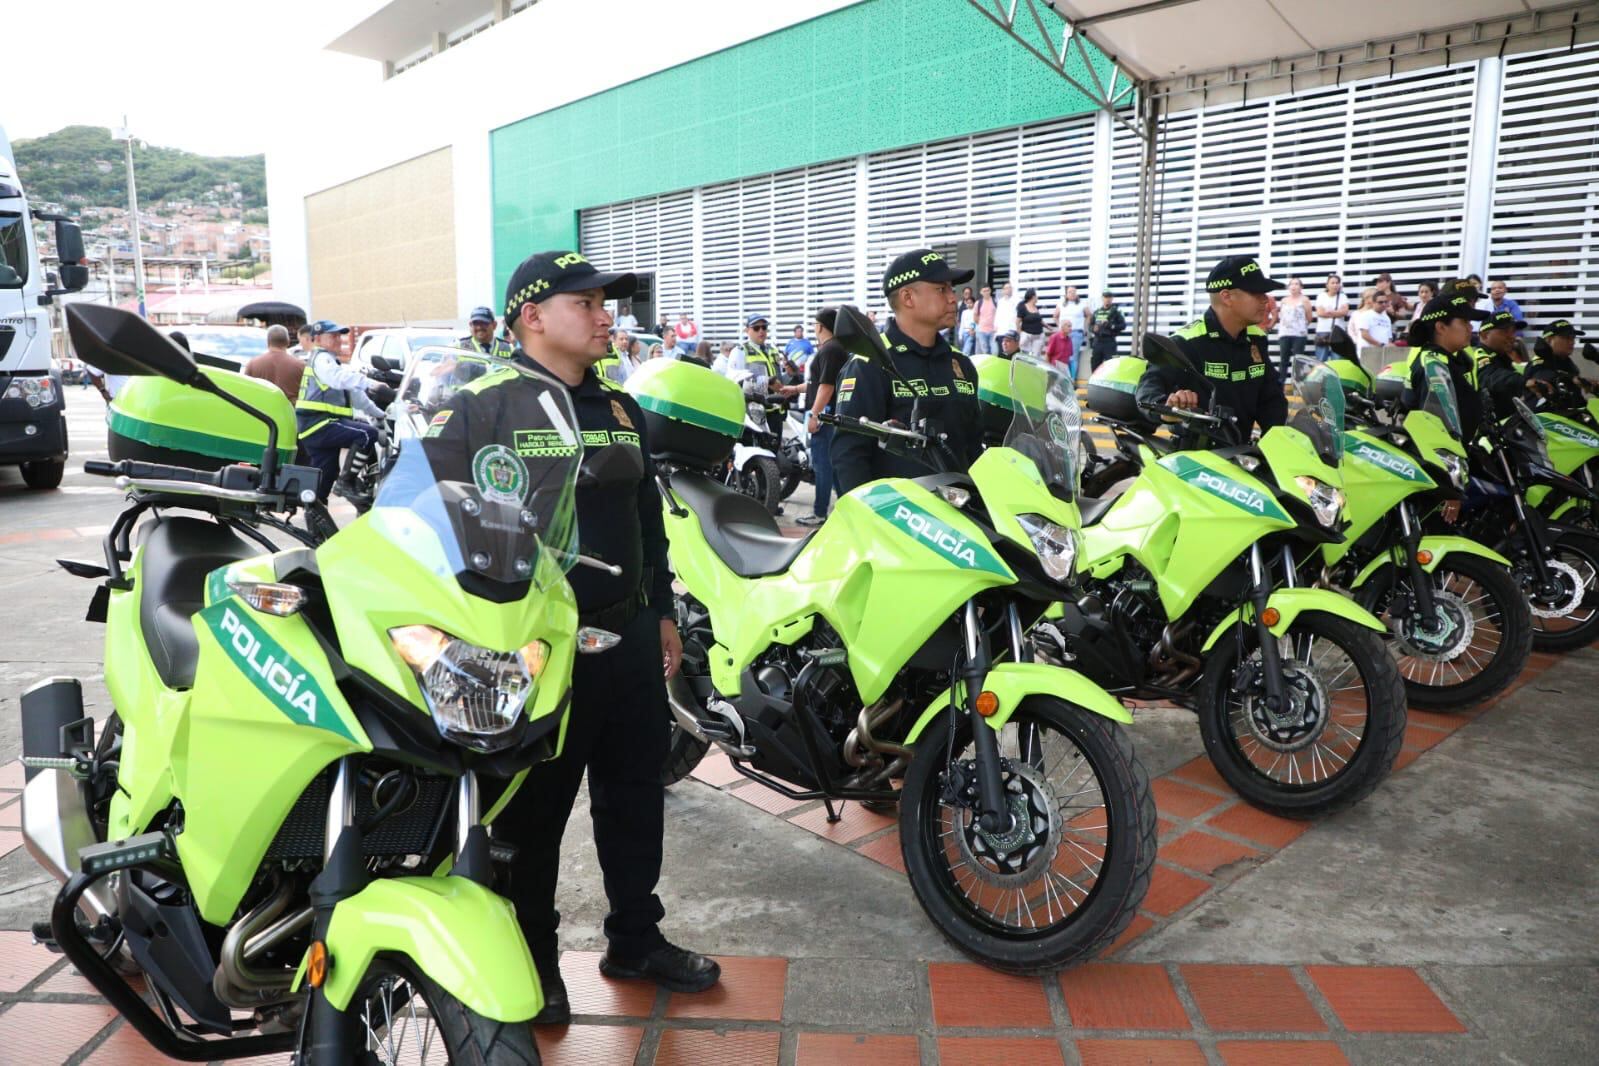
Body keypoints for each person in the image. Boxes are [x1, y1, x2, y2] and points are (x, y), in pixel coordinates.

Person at [421, 249, 718, 1025]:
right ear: (532, 315)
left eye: (605, 302)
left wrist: (659, 609)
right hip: (534, 653)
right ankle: (533, 958)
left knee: (633, 797)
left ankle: (635, 939)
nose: (603, 315)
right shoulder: (481, 404)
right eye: (585, 303)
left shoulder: (619, 408)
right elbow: (430, 526)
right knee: (532, 813)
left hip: (622, 641)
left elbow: (645, 520)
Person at [832, 249, 982, 493]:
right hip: (897, 522)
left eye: (950, 289)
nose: (953, 298)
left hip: (961, 521)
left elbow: (974, 449)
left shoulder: (961, 365)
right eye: (941, 289)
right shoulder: (870, 363)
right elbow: (849, 456)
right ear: (908, 297)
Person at [1137, 255, 1287, 443]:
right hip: (1195, 459)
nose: (1266, 300)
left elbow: (1271, 399)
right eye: (1257, 293)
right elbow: (1148, 388)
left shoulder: (1256, 338)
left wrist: (1274, 443)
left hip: (1241, 456)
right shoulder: (1187, 341)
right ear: (1227, 296)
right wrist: (1167, 410)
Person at [295, 319, 383, 502]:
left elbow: (357, 397)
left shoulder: (332, 363)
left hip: (317, 427)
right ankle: (346, 482)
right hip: (319, 424)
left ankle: (318, 526)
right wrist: (371, 384)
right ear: (317, 339)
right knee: (366, 434)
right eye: (333, 336)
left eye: (340, 336)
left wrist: (381, 414)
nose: (339, 340)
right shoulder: (321, 358)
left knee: (323, 483)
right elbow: (337, 379)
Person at [1401, 291, 1492, 442]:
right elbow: (1441, 428)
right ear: (1441, 327)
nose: (1470, 328)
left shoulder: (1451, 359)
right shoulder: (1433, 364)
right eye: (1464, 322)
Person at [799, 307, 847, 526]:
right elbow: (816, 384)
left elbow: (826, 387)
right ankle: (846, 508)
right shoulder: (837, 348)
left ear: (819, 326)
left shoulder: (829, 350)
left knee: (822, 467)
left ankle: (819, 514)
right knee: (833, 467)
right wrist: (794, 390)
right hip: (832, 416)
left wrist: (815, 415)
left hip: (825, 417)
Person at [1474, 310, 1536, 408]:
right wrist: (1524, 382)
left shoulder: (1502, 356)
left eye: (1513, 332)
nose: (1512, 337)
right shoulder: (1479, 354)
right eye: (1505, 332)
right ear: (1484, 335)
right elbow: (1488, 376)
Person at [729, 315, 800, 398]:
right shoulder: (740, 351)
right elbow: (734, 379)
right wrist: (766, 382)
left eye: (764, 327)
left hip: (778, 406)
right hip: (755, 407)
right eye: (756, 328)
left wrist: (789, 375)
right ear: (747, 330)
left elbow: (778, 383)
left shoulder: (773, 350)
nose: (761, 331)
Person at [244, 324, 308, 402]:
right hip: (290, 412)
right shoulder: (301, 366)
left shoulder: (252, 364)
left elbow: (246, 392)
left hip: (261, 411)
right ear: (288, 341)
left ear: (268, 342)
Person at [1525, 319, 1591, 392]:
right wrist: (1571, 378)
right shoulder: (1538, 361)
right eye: (1566, 337)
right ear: (1549, 340)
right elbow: (1543, 377)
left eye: (1573, 338)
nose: (1572, 342)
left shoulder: (1567, 363)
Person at [1275, 277, 1312, 376]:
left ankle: (1297, 385)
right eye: (1291, 284)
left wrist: (1300, 327)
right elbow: (1281, 316)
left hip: (1299, 334)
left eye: (1296, 284)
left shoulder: (1305, 300)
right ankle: (1280, 386)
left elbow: (1309, 317)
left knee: (1298, 361)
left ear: (1301, 287)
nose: (1293, 286)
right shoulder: (1284, 300)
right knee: (1283, 360)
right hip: (1285, 333)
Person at [1313, 274, 1350, 360]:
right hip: (1323, 330)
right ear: (1327, 285)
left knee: (1337, 358)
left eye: (1337, 283)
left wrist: (1330, 312)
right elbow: (1320, 312)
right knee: (1321, 358)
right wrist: (1337, 312)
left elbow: (1344, 312)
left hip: (1338, 331)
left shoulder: (1342, 296)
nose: (1335, 285)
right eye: (1332, 283)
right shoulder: (1321, 296)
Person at [1349, 287, 1394, 356]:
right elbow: (1364, 334)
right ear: (1373, 302)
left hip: (1382, 353)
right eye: (1380, 302)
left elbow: (1389, 337)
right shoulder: (1365, 315)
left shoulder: (1386, 317)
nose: (1384, 304)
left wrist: (1388, 346)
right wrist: (1381, 345)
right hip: (1368, 352)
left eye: (1385, 302)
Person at [1088, 291, 1125, 369]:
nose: (1107, 299)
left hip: (1110, 342)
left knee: (1112, 365)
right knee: (1095, 364)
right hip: (1098, 342)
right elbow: (1090, 326)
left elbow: (1123, 326)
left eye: (1109, 297)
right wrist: (1093, 328)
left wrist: (1111, 325)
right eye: (1105, 297)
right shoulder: (1097, 312)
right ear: (1102, 298)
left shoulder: (1117, 312)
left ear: (1112, 299)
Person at [1056, 284, 1087, 368]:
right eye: (1070, 292)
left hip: (1076, 333)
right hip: (1063, 334)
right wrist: (1060, 327)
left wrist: (1085, 328)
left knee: (1073, 357)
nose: (1072, 293)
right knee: (1062, 356)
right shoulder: (1061, 304)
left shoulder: (1082, 304)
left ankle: (1072, 379)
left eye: (1074, 292)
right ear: (1066, 294)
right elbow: (1055, 316)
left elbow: (1089, 315)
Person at [1017, 288, 1046, 357]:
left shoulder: (1035, 307)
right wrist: (1020, 334)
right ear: (1033, 297)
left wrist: (1047, 326)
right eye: (1036, 296)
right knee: (1025, 356)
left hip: (1038, 336)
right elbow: (1017, 322)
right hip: (1027, 336)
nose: (1037, 297)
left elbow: (1039, 320)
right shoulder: (1022, 307)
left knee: (1036, 357)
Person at [975, 285, 997, 354]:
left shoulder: (995, 301)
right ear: (981, 292)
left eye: (987, 290)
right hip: (982, 331)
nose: (986, 292)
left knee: (995, 351)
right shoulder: (978, 303)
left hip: (993, 331)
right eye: (984, 291)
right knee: (985, 351)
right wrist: (981, 324)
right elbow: (975, 316)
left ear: (990, 291)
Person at [957, 288, 977, 355]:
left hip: (971, 332)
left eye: (971, 303)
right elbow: (962, 323)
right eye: (967, 303)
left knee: (966, 351)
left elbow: (975, 322)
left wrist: (973, 329)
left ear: (974, 303)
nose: (969, 304)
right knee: (969, 350)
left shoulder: (975, 311)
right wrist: (960, 335)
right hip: (964, 332)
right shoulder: (964, 312)